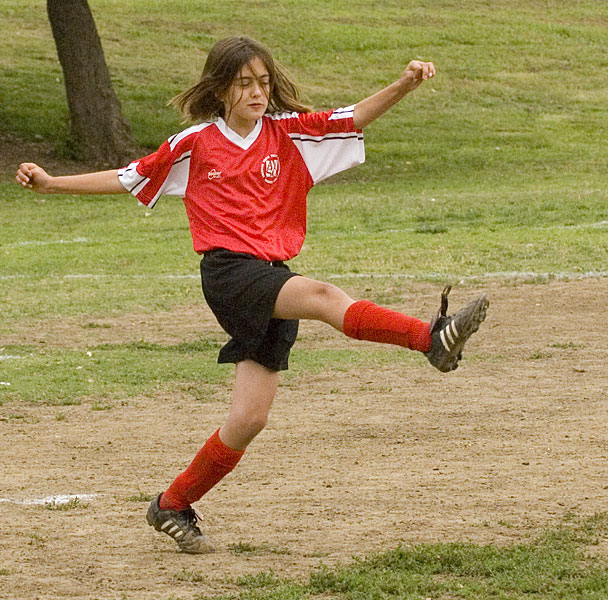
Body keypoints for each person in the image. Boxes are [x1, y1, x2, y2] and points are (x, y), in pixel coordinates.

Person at [16, 35, 489, 554]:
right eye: (244, 83)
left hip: (270, 273)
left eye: (263, 82)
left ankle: (172, 503)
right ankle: (430, 339)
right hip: (229, 274)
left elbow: (352, 117)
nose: (257, 92)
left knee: (249, 420)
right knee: (323, 296)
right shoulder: (195, 143)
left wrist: (403, 85)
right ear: (221, 89)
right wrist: (51, 183)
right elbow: (129, 178)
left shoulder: (288, 135)